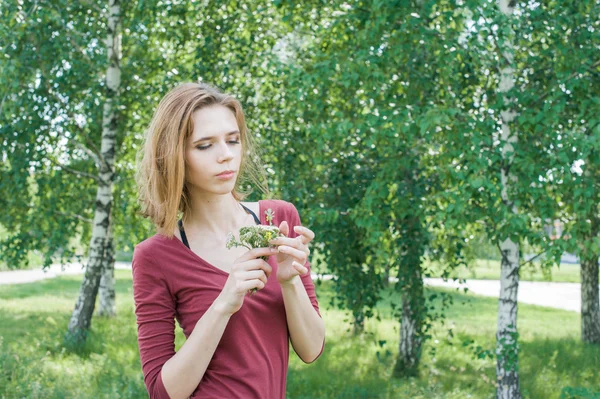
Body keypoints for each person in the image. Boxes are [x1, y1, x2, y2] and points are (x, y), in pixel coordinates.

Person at [132, 82, 325, 399]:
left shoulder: (278, 219)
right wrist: (223, 304)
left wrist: (290, 282)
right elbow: (162, 392)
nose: (226, 156)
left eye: (233, 140)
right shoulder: (155, 255)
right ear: (174, 155)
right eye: (204, 145)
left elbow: (312, 349)